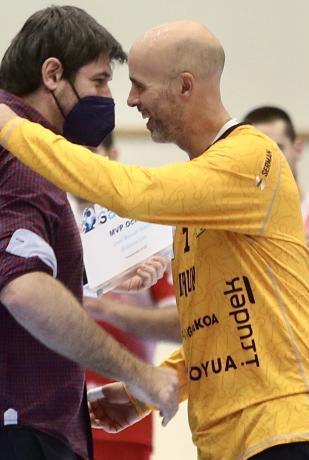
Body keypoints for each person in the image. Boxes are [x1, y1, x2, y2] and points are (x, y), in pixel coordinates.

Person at [0, 20, 309, 460]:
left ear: (185, 86)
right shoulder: (202, 194)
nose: (131, 100)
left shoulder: (252, 157)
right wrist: (141, 393)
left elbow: (134, 192)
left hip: (291, 432)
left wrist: (19, 131)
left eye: (139, 86)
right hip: (234, 441)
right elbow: (220, 332)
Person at [0, 6, 178, 460]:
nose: (113, 99)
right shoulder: (22, 151)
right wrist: (140, 374)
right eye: (99, 82)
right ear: (53, 74)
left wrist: (95, 276)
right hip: (13, 432)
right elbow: (25, 290)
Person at [72, 133, 179, 460]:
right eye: (66, 157)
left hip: (119, 421)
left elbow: (182, 325)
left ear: (113, 154)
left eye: (90, 153)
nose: (77, 167)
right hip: (48, 421)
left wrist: (105, 308)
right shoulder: (45, 224)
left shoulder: (143, 232)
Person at [243, 106, 309, 244]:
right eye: (258, 152)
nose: (269, 160)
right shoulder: (240, 225)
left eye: (277, 148)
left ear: (297, 148)